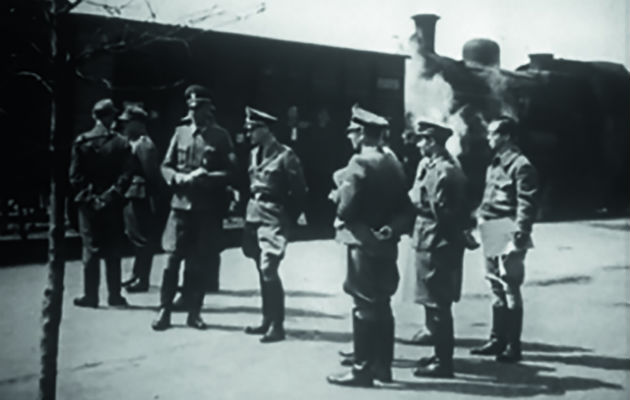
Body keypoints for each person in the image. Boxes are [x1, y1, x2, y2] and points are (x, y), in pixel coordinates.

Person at [327, 105, 413, 387]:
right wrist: (391, 229)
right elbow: (406, 209)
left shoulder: (359, 163)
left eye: (353, 132)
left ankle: (362, 370)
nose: (350, 137)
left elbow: (346, 211)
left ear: (362, 133)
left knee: (362, 304)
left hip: (362, 243)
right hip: (386, 244)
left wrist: (337, 195)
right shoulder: (393, 163)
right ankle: (382, 367)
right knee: (383, 304)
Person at [151, 85, 235, 331]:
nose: (194, 112)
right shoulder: (180, 133)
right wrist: (176, 178)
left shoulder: (221, 136)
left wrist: (206, 176)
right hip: (179, 207)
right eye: (191, 107)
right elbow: (165, 165)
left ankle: (194, 313)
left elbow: (232, 171)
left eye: (198, 107)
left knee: (199, 262)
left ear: (209, 109)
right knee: (171, 261)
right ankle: (164, 310)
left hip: (205, 209)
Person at [469, 116, 538, 363]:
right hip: (491, 226)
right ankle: (497, 339)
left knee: (510, 285)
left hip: (507, 228)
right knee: (494, 285)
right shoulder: (495, 163)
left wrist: (520, 233)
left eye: (493, 133)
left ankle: (513, 345)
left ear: (506, 136)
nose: (489, 137)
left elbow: (526, 202)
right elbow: (488, 199)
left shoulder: (521, 165)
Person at [241, 106, 308, 343]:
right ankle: (266, 320)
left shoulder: (285, 155)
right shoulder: (252, 154)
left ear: (265, 129)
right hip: (253, 215)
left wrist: (288, 216)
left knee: (269, 268)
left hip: (274, 216)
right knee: (261, 269)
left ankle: (277, 326)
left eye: (252, 129)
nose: (248, 134)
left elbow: (299, 191)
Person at [409, 120, 469, 378]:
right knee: (434, 302)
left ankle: (444, 363)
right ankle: (438, 355)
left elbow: (441, 211)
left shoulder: (442, 171)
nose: (419, 144)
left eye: (422, 140)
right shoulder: (436, 166)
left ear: (432, 142)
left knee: (438, 303)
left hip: (436, 241)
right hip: (432, 239)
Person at [69, 98, 133, 308]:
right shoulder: (121, 143)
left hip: (88, 205)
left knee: (90, 249)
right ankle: (114, 295)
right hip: (112, 204)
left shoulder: (82, 142)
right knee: (113, 249)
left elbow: (75, 176)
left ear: (94, 117)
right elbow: (126, 175)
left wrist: (91, 197)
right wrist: (110, 196)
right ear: (111, 117)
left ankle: (91, 295)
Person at [118, 105, 161, 293]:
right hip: (131, 194)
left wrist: (153, 198)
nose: (124, 126)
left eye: (128, 122)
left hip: (140, 194)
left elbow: (150, 174)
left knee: (142, 238)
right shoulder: (133, 142)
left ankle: (142, 279)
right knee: (134, 236)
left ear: (138, 123)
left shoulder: (144, 144)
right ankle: (137, 275)